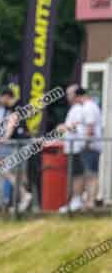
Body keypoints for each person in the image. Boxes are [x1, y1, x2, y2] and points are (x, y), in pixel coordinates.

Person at [57, 84, 85, 212]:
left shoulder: (78, 108)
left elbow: (76, 126)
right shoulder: (74, 109)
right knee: (73, 175)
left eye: (69, 94)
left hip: (77, 147)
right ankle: (75, 200)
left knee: (76, 175)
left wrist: (64, 127)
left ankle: (77, 200)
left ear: (75, 95)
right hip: (71, 147)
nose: (67, 96)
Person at [77, 86, 103, 208]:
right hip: (93, 146)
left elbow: (90, 127)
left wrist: (86, 144)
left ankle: (91, 201)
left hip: (91, 146)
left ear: (78, 97)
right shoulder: (92, 106)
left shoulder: (88, 107)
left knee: (91, 174)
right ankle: (89, 199)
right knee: (91, 174)